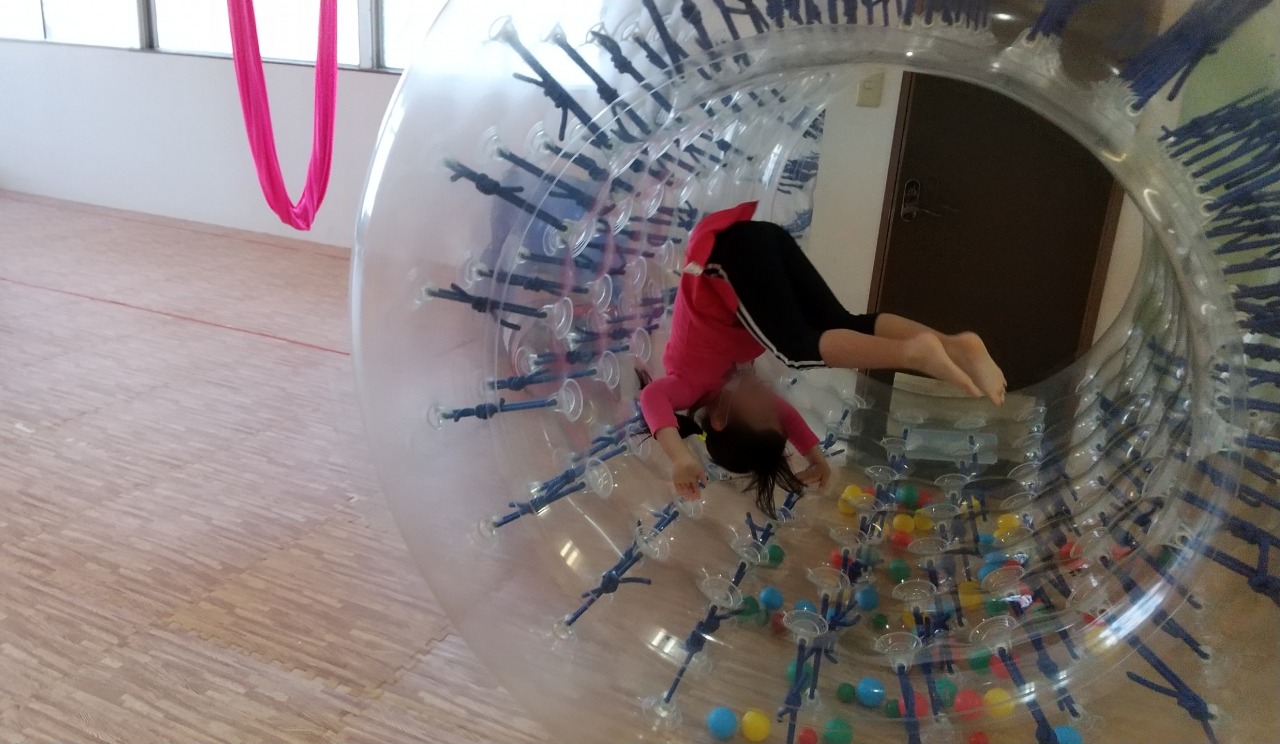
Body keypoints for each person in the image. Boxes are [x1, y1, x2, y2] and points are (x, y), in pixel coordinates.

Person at [639, 201, 1006, 516]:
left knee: (795, 350)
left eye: (762, 414)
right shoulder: (733, 385)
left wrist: (681, 458)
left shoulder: (688, 385)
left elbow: (652, 397)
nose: (769, 402)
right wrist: (814, 455)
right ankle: (957, 346)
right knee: (841, 323)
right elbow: (786, 416)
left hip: (725, 259)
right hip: (765, 244)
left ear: (720, 420)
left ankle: (914, 354)